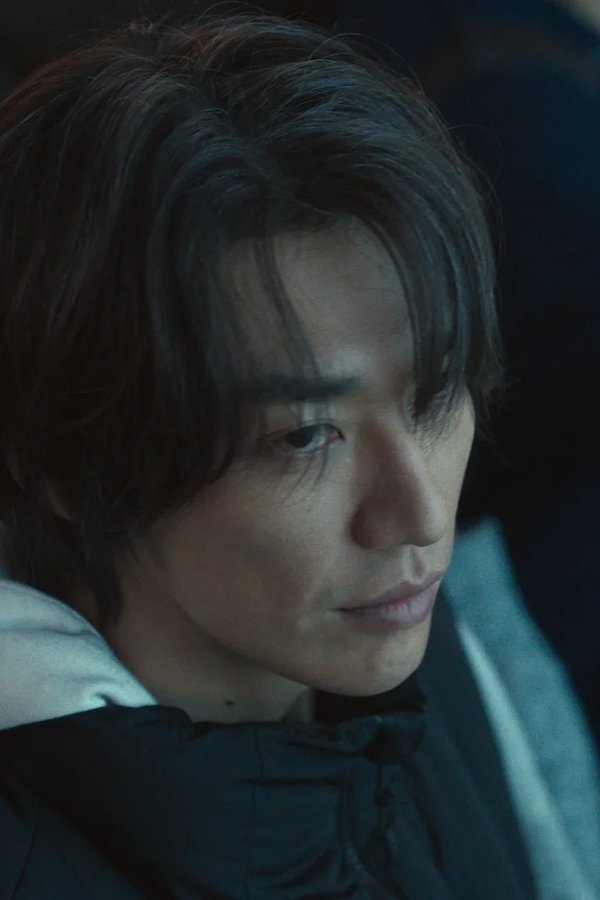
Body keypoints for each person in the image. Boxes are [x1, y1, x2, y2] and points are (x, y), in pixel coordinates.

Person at [0, 10, 590, 898]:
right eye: (303, 436)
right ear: (64, 467)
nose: (420, 515)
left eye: (435, 392)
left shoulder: (411, 644)